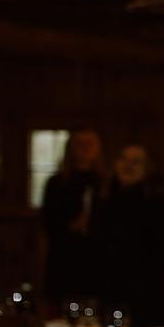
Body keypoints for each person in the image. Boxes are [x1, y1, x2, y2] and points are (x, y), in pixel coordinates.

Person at [93, 144, 164, 327]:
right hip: (108, 290)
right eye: (124, 159)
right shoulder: (103, 202)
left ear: (147, 168)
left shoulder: (159, 205)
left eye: (136, 162)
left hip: (145, 293)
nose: (128, 166)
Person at [40, 128, 106, 309]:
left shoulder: (106, 183)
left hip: (97, 263)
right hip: (64, 262)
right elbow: (49, 223)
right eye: (80, 144)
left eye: (89, 144)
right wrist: (72, 226)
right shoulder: (57, 183)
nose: (85, 149)